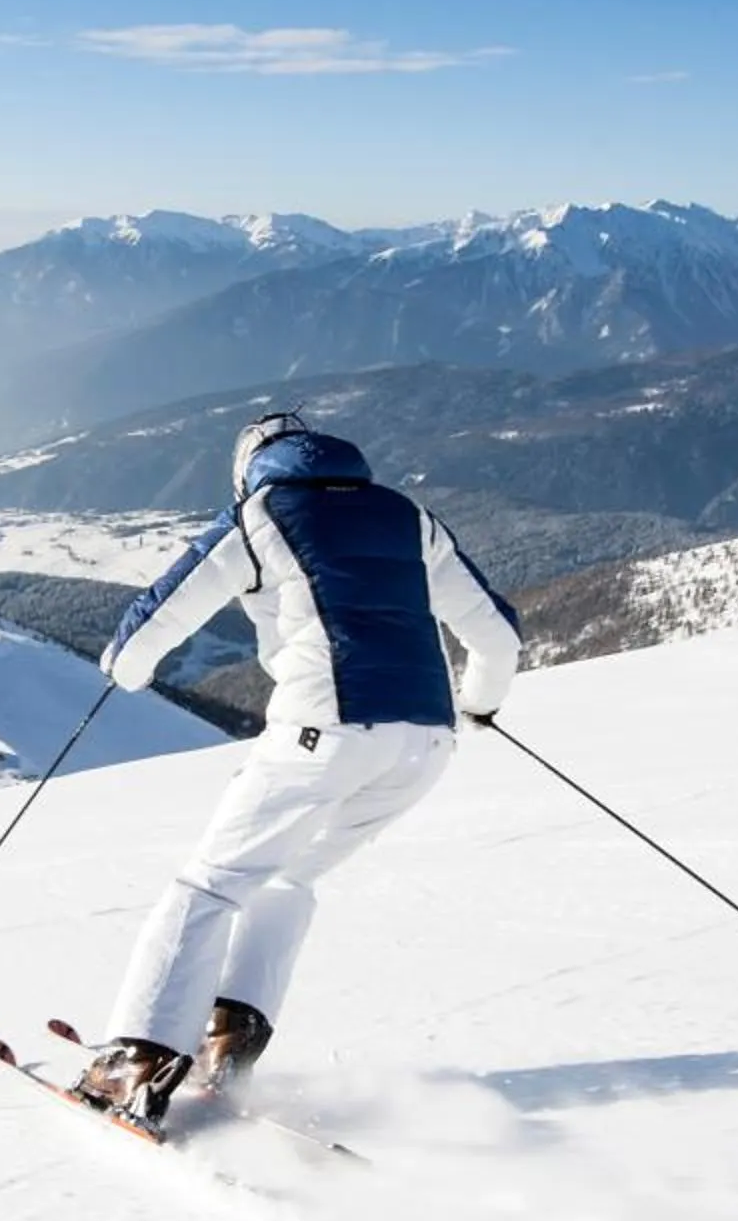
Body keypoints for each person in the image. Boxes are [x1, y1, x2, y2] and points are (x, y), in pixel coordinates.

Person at [69, 411, 522, 1124]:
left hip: (324, 732)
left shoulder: (260, 515)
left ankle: (141, 1058)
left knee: (210, 886)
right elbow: (497, 636)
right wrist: (480, 706)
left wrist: (121, 670)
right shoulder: (409, 517)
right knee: (289, 875)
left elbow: (158, 617)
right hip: (425, 744)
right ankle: (230, 1032)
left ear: (250, 468)